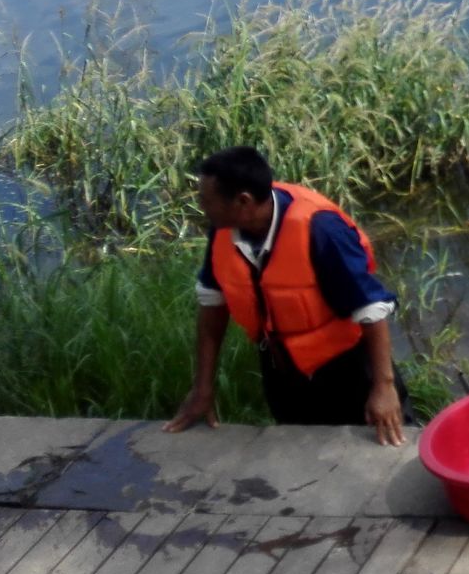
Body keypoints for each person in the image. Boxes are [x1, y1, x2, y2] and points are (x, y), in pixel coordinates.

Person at [166, 146, 408, 446]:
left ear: (243, 201)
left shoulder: (321, 230)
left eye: (207, 200)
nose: (201, 207)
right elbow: (212, 305)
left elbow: (371, 307)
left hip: (350, 372)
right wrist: (203, 388)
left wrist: (383, 386)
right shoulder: (225, 228)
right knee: (298, 454)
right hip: (283, 374)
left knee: (382, 451)